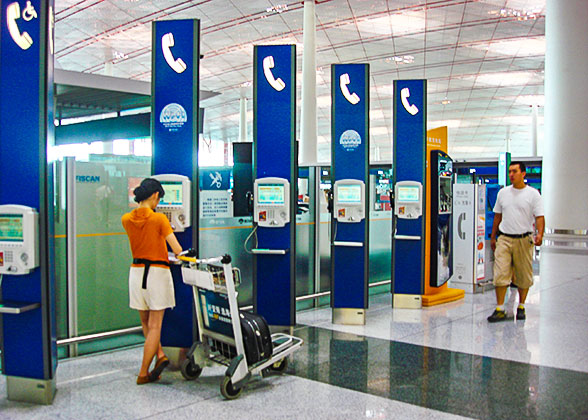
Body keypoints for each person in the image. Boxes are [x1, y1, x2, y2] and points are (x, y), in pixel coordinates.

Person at [122, 178, 183, 384]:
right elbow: (177, 250)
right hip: (157, 273)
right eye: (159, 199)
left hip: (137, 273)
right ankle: (142, 372)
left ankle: (160, 356)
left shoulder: (126, 219)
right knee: (156, 325)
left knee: (145, 322)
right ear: (155, 195)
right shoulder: (159, 220)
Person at [487, 162, 544, 322]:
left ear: (523, 174)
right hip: (504, 238)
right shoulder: (503, 193)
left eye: (515, 171)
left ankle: (521, 306)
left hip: (524, 239)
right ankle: (500, 308)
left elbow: (539, 217)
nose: (511, 174)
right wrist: (493, 237)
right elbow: (497, 216)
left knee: (523, 275)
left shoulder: (533, 194)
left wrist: (539, 234)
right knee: (500, 274)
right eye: (510, 171)